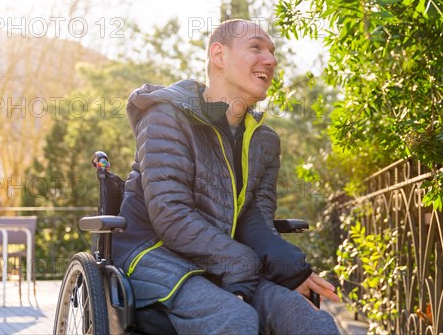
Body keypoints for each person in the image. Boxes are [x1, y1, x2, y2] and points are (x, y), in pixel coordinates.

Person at [112, 19, 341, 334]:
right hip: (155, 253)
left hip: (223, 260)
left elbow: (256, 218)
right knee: (235, 319)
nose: (271, 60)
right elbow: (171, 213)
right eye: (256, 47)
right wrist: (240, 264)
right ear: (218, 55)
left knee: (309, 321)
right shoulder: (165, 115)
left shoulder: (264, 141)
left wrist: (290, 268)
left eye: (272, 52)